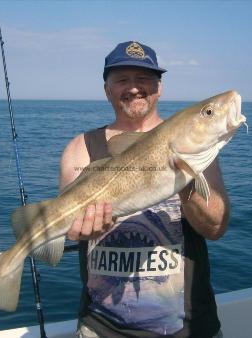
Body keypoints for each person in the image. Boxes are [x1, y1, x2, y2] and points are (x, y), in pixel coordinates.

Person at [59, 41, 229, 338]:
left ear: (159, 87)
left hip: (190, 327)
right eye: (122, 79)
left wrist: (184, 179)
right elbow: (68, 227)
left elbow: (215, 228)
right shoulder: (80, 148)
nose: (134, 87)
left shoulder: (198, 147)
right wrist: (78, 230)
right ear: (107, 89)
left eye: (144, 79)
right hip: (101, 327)